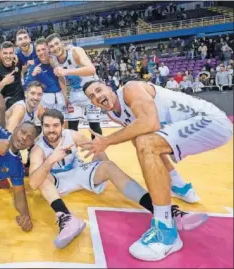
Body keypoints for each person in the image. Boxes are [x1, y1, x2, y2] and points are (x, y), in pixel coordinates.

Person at [82, 80, 233, 261]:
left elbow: (149, 123)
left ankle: (165, 230)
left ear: (108, 87)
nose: (97, 96)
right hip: (182, 127)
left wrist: (106, 141)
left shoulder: (130, 90)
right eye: (92, 96)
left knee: (147, 143)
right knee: (144, 142)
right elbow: (138, 135)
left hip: (209, 120)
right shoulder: (113, 114)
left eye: (99, 90)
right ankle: (180, 186)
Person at [29, 109, 208, 249]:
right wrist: (51, 160)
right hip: (58, 181)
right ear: (42, 126)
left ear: (63, 125)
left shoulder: (73, 136)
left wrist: (107, 172)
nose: (51, 130)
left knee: (110, 167)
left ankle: (164, 212)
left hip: (78, 172)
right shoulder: (38, 149)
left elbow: (96, 151)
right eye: (47, 126)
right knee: (41, 178)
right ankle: (67, 218)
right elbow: (34, 183)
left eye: (55, 125)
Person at [45, 33, 102, 139]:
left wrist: (66, 72)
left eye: (57, 43)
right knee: (71, 127)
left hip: (91, 91)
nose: (55, 47)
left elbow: (91, 70)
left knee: (94, 124)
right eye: (51, 46)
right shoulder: (53, 60)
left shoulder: (75, 51)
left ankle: (98, 154)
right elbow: (61, 78)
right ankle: (73, 152)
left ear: (62, 43)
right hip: (75, 92)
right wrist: (66, 96)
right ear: (49, 49)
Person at [24, 37, 68, 116]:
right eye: (38, 50)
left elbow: (62, 79)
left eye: (43, 49)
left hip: (61, 98)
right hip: (45, 101)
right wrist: (33, 75)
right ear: (36, 53)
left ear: (48, 49)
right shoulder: (34, 65)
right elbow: (26, 85)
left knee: (63, 124)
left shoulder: (56, 59)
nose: (41, 52)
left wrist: (66, 98)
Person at [0, 41, 24, 109]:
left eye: (10, 53)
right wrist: (4, 82)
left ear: (14, 53)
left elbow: (23, 69)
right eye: (5, 53)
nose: (8, 56)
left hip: (22, 101)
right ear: (1, 54)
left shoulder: (17, 62)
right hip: (8, 107)